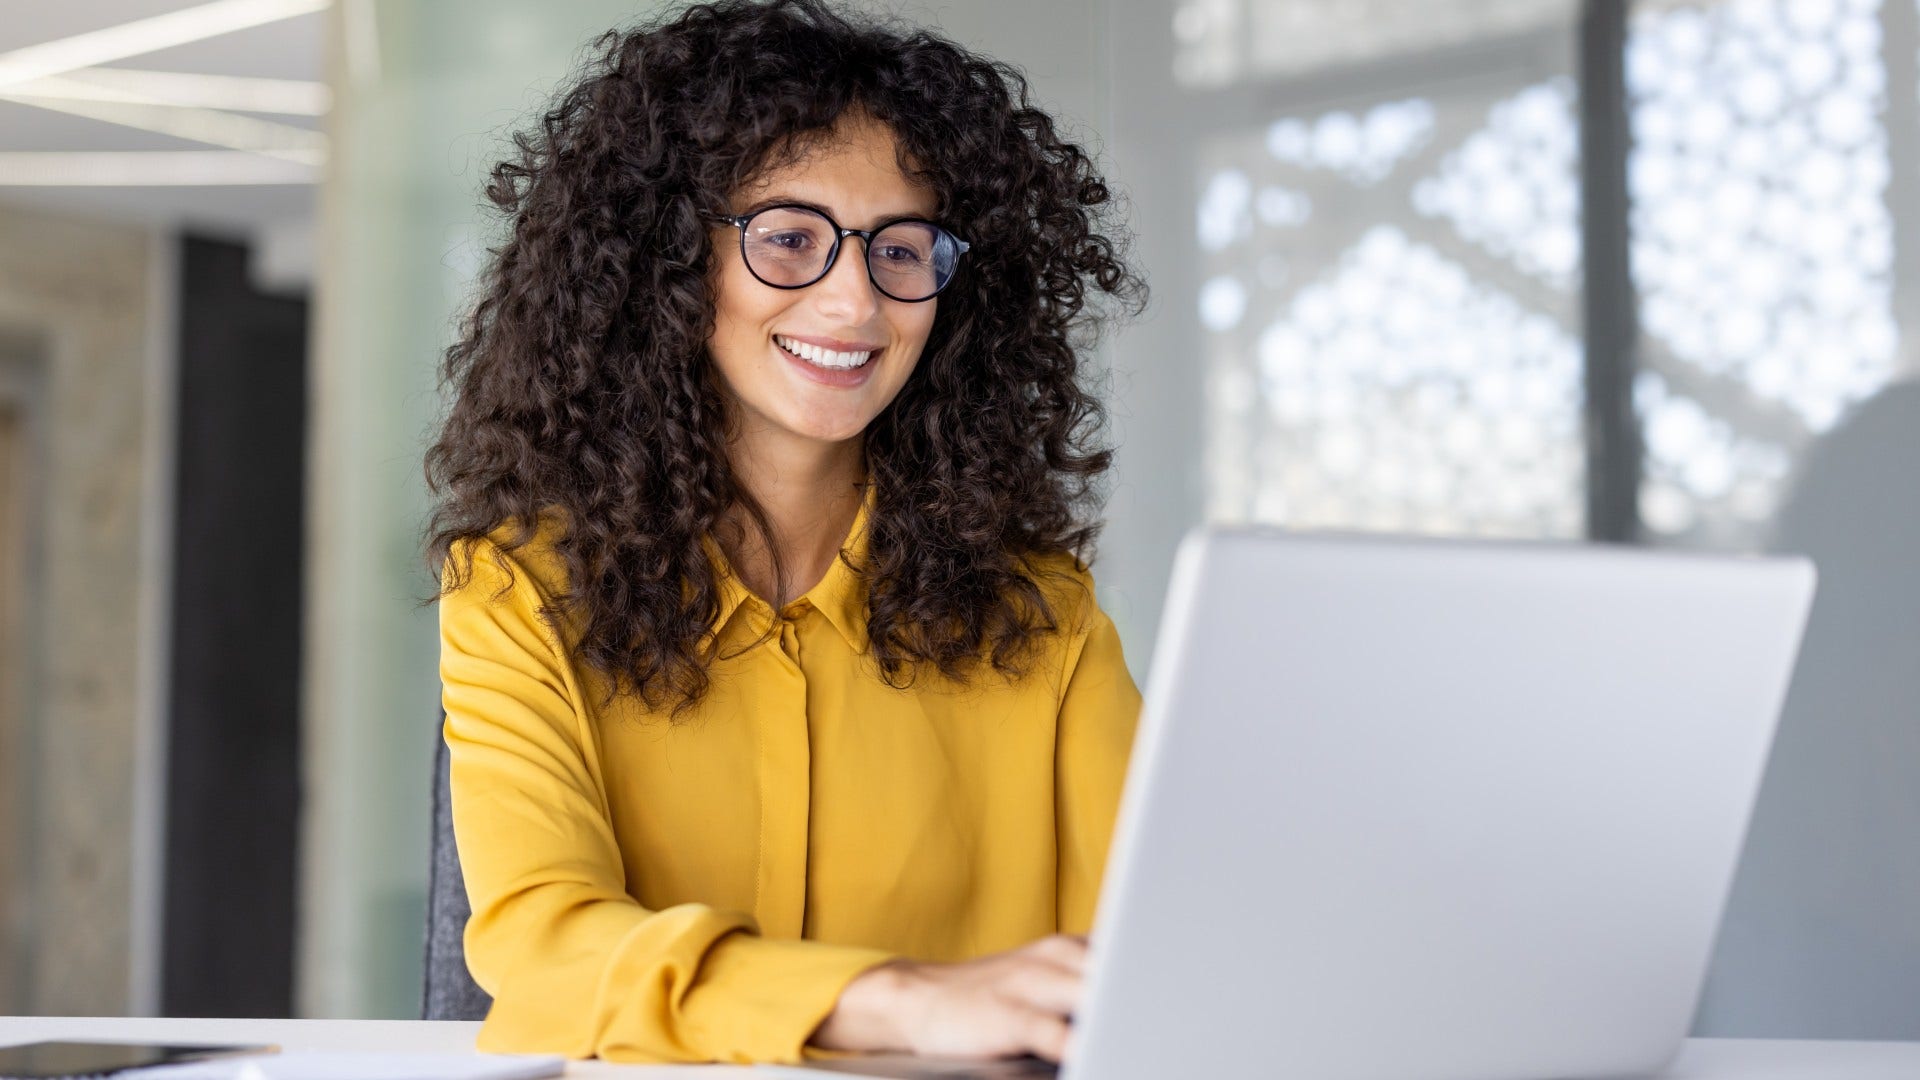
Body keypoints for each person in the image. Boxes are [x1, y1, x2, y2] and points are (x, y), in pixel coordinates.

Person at [425, 0, 1146, 1066]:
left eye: (902, 248)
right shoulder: (519, 589)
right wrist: (897, 1000)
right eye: (790, 239)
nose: (855, 300)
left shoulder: (1049, 618)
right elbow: (545, 947)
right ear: (668, 261)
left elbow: (1146, 962)